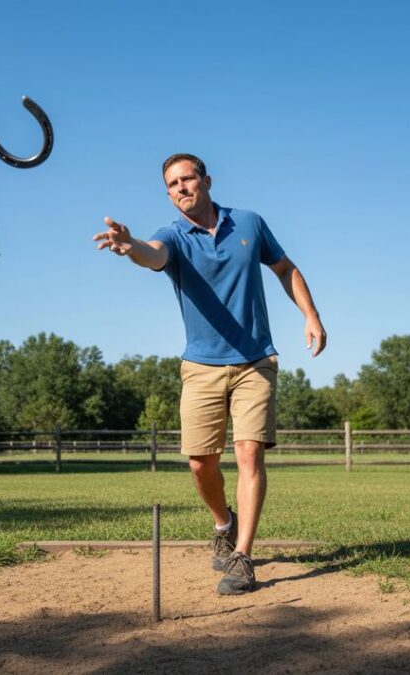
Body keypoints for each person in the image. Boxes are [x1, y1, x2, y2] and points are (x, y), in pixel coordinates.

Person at [93, 153, 326, 595]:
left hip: (255, 360)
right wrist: (131, 247)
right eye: (171, 184)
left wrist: (310, 315)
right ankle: (223, 523)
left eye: (187, 179)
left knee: (248, 454)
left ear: (206, 180)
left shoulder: (250, 224)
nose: (180, 188)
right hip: (200, 365)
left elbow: (285, 268)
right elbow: (152, 254)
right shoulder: (173, 236)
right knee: (201, 464)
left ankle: (242, 557)